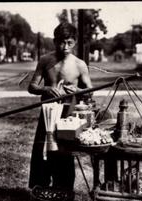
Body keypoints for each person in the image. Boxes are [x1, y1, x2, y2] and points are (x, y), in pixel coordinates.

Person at [27, 22, 93, 191]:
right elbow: (32, 86)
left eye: (69, 43)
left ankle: (63, 193)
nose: (65, 47)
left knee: (64, 154)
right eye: (61, 42)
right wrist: (46, 89)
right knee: (42, 151)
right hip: (47, 115)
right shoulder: (45, 60)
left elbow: (90, 92)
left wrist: (77, 91)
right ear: (55, 41)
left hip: (68, 118)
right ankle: (39, 191)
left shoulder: (79, 65)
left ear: (75, 42)